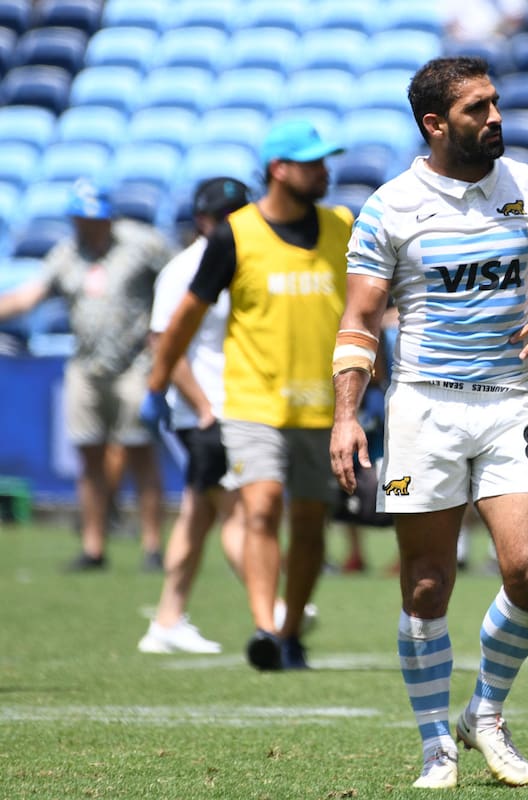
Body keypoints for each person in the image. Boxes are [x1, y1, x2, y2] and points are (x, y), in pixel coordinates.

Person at [328, 56, 528, 789]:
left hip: (507, 403)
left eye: (495, 104)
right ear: (436, 125)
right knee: (427, 586)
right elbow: (361, 322)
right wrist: (345, 415)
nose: (495, 118)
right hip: (424, 406)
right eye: (477, 109)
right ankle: (436, 742)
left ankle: (484, 714)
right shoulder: (390, 208)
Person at [142, 119, 352, 671]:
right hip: (251, 403)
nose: (326, 170)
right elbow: (184, 318)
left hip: (322, 407)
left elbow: (367, 305)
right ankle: (264, 627)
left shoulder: (343, 227)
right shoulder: (233, 235)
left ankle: (290, 631)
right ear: (280, 170)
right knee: (259, 508)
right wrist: (158, 382)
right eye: (313, 162)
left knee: (310, 523)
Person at [0, 178, 173, 572]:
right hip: (85, 365)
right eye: (81, 218)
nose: (88, 225)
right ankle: (94, 547)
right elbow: (29, 296)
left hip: (135, 364)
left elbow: (179, 282)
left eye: (94, 218)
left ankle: (151, 547)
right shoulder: (68, 254)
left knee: (140, 453)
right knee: (89, 455)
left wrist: (163, 334)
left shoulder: (141, 244)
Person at [138, 177, 252, 654]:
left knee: (198, 514)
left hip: (235, 405)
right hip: (208, 411)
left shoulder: (249, 262)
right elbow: (164, 342)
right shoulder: (182, 270)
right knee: (238, 510)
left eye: (238, 212)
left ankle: (166, 620)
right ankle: (279, 606)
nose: (231, 222)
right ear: (201, 220)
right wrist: (203, 407)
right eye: (223, 215)